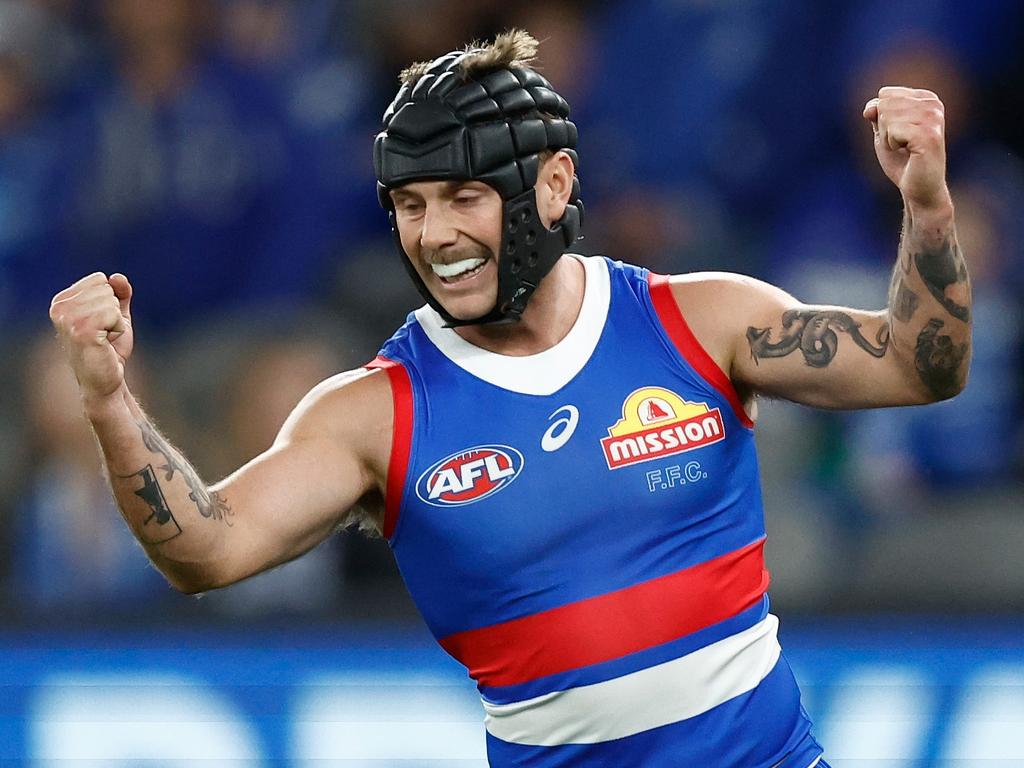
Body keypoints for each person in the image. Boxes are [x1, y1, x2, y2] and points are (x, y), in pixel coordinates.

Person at [49, 30, 971, 768]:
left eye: (462, 196)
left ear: (554, 183)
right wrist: (110, 404)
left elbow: (918, 369)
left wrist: (927, 208)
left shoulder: (702, 321)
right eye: (410, 205)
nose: (436, 234)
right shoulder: (376, 414)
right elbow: (205, 549)